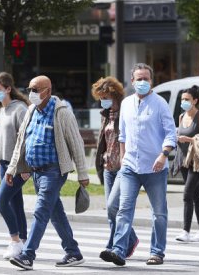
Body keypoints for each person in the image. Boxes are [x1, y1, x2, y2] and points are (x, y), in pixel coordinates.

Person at [5, 75, 89, 270]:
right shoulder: (31, 110)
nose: (32, 94)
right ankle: (73, 252)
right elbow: (21, 141)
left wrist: (83, 174)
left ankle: (28, 255)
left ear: (48, 91)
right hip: (36, 171)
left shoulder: (62, 112)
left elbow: (76, 143)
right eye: (30, 89)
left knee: (41, 211)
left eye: (36, 90)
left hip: (54, 171)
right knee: (55, 213)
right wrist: (12, 168)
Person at [101, 63, 177, 267]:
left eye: (146, 78)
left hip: (155, 168)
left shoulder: (160, 103)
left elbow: (171, 133)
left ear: (151, 81)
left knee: (159, 212)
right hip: (130, 167)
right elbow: (123, 135)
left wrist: (163, 155)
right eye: (139, 78)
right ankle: (119, 250)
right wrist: (124, 158)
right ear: (132, 81)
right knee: (121, 208)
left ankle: (157, 252)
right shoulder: (126, 103)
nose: (142, 82)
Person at [91, 77, 140, 260]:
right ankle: (114, 244)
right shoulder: (105, 114)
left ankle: (129, 239)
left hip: (122, 167)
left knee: (114, 206)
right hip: (107, 167)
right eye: (100, 97)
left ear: (115, 95)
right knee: (111, 211)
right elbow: (103, 141)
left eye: (105, 96)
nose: (102, 100)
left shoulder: (125, 112)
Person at [0, 72, 30, 259]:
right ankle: (23, 241)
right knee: (16, 204)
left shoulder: (20, 109)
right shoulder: (2, 111)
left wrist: (26, 167)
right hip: (5, 164)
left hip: (17, 166)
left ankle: (15, 241)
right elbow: (1, 142)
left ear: (8, 88)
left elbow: (26, 140)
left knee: (1, 201)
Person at [174, 85, 199, 243]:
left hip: (197, 162)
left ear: (195, 101)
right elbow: (179, 134)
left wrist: (189, 139)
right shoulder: (182, 117)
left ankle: (185, 231)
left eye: (187, 99)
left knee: (187, 194)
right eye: (182, 99)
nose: (184, 102)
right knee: (196, 196)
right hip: (184, 160)